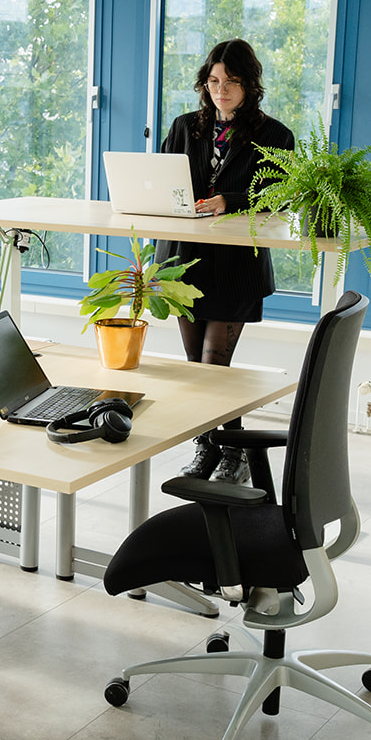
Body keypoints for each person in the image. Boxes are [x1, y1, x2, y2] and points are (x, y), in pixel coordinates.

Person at [156, 38, 295, 481]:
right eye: (214, 81)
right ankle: (210, 448)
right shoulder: (185, 127)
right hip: (184, 262)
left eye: (231, 81)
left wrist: (228, 201)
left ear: (249, 85)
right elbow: (162, 180)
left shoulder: (275, 136)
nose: (221, 90)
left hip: (235, 267)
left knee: (215, 366)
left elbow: (280, 195)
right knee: (198, 367)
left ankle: (232, 454)